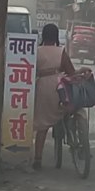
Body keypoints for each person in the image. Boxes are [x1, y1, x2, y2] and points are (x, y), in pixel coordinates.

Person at [33, 24, 79, 170]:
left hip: (41, 86)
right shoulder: (61, 51)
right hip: (59, 87)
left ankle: (38, 159)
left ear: (43, 36)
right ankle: (73, 139)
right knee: (66, 111)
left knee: (42, 125)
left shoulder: (36, 51)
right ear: (56, 36)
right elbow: (70, 71)